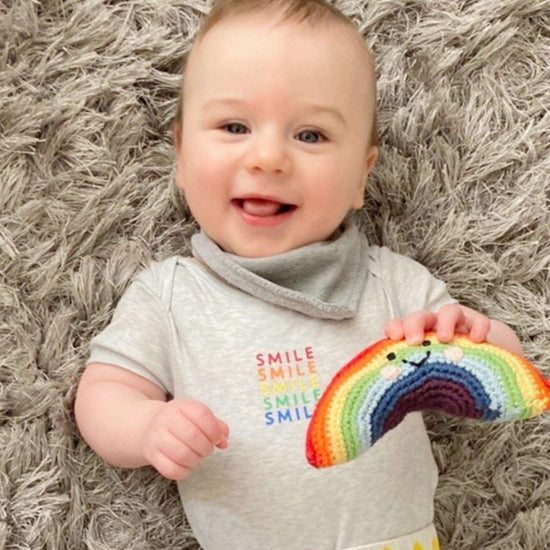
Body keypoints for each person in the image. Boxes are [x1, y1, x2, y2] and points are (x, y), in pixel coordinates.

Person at [74, 1, 525, 549]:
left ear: (361, 177)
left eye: (310, 135)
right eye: (234, 126)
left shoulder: (393, 285)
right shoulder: (171, 295)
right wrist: (147, 427)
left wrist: (470, 339)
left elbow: (510, 369)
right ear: (182, 157)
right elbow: (104, 394)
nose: (268, 158)